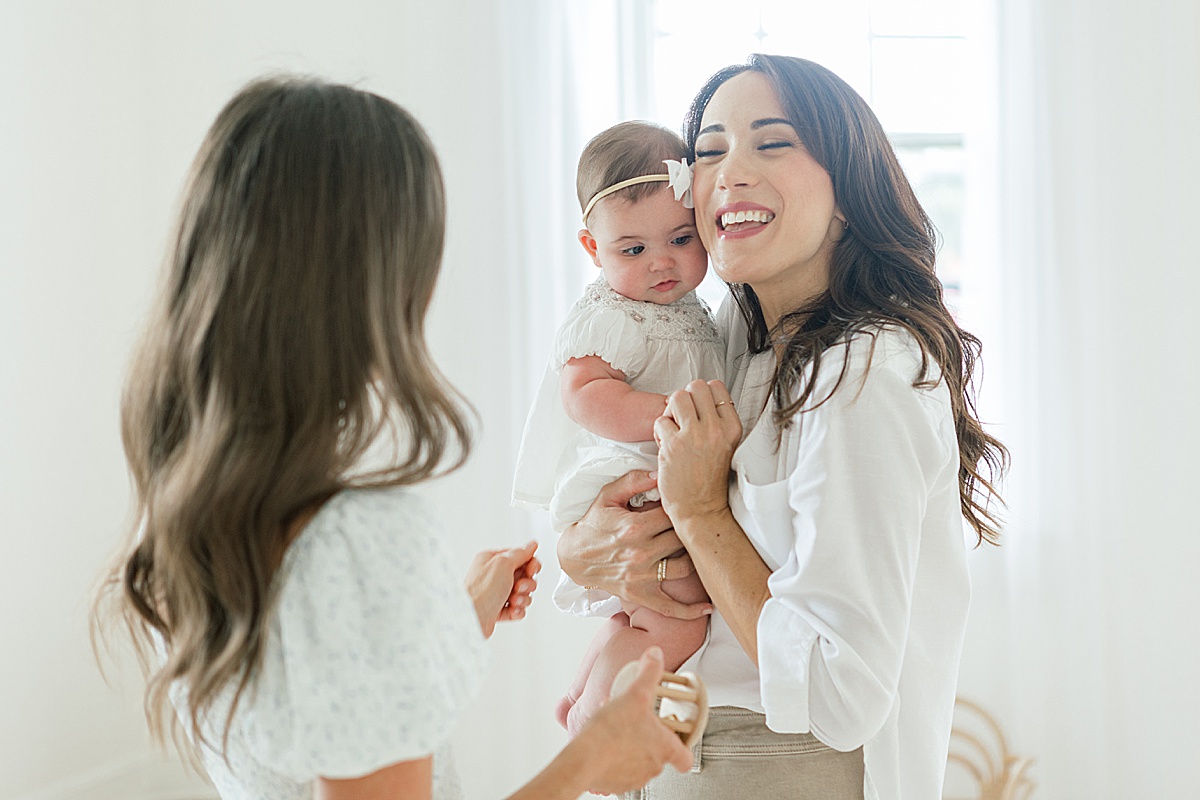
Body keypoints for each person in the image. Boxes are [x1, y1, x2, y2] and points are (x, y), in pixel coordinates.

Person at [92, 75, 693, 800]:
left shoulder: (191, 504)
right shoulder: (360, 537)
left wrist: (444, 624)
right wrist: (591, 761)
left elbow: (311, 712)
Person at [557, 54, 1009, 799]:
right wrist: (581, 552)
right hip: (678, 743)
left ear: (846, 188)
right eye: (707, 151)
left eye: (772, 142)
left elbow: (841, 694)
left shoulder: (865, 373)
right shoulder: (730, 338)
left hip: (774, 764)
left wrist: (701, 509)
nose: (730, 172)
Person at [511, 121, 720, 738]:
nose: (662, 262)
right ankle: (595, 732)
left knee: (645, 617)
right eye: (633, 250)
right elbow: (586, 397)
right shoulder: (610, 316)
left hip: (661, 474)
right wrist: (676, 414)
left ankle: (583, 694)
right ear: (592, 248)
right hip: (628, 477)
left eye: (681, 238)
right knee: (679, 619)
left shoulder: (690, 310)